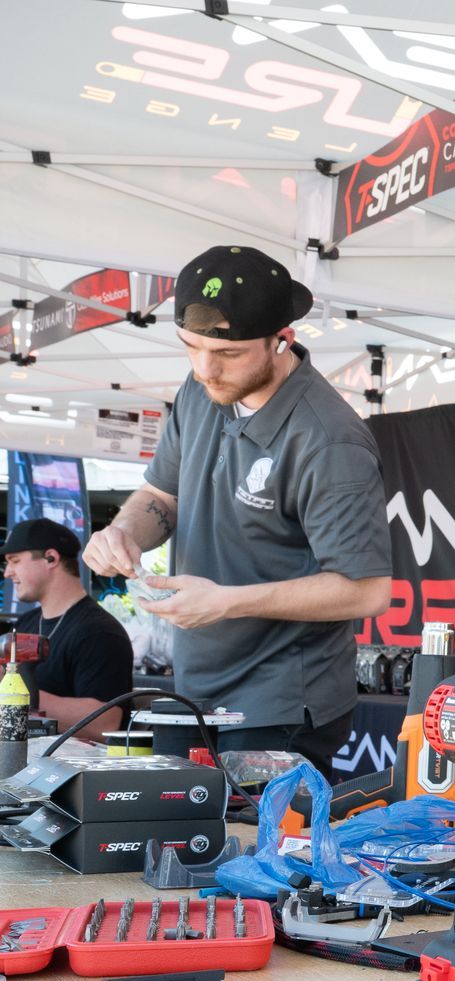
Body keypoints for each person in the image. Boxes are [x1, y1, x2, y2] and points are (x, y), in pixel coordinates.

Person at [82, 245, 391, 770]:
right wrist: (126, 532)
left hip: (280, 701)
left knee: (247, 849)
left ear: (281, 340)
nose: (205, 369)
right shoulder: (202, 389)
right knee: (174, 843)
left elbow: (366, 590)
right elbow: (162, 494)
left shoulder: (328, 440)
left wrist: (227, 602)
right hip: (195, 690)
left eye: (227, 355)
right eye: (190, 348)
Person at [2, 518, 133, 740]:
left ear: (51, 558)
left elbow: (105, 722)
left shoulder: (99, 632)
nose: (7, 573)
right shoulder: (26, 623)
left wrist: (12, 694)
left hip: (68, 770)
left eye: (14, 561)